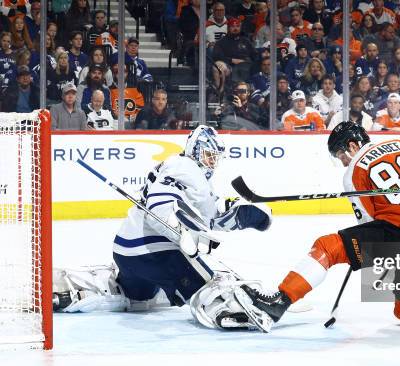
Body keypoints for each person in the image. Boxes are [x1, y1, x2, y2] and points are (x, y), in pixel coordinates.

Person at [53, 126, 274, 332]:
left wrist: (244, 215)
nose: (212, 162)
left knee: (139, 297)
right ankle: (228, 310)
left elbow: (209, 217)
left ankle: (78, 291)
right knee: (207, 286)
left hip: (128, 251)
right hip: (153, 252)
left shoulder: (186, 169)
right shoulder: (184, 168)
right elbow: (157, 211)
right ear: (195, 151)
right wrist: (183, 236)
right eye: (208, 155)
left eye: (215, 157)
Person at [235, 122, 400, 331]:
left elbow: (368, 223)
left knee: (328, 247)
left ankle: (278, 302)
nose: (344, 162)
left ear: (353, 145)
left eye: (341, 155)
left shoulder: (354, 172)